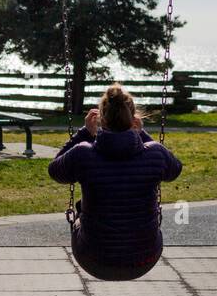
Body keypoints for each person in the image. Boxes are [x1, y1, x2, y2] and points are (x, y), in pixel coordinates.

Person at [48, 83, 182, 280]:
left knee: (82, 210)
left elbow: (55, 170)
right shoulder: (155, 153)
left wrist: (84, 132)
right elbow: (175, 170)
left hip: (93, 260)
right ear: (133, 117)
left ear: (102, 118)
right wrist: (141, 133)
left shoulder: (83, 153)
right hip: (145, 259)